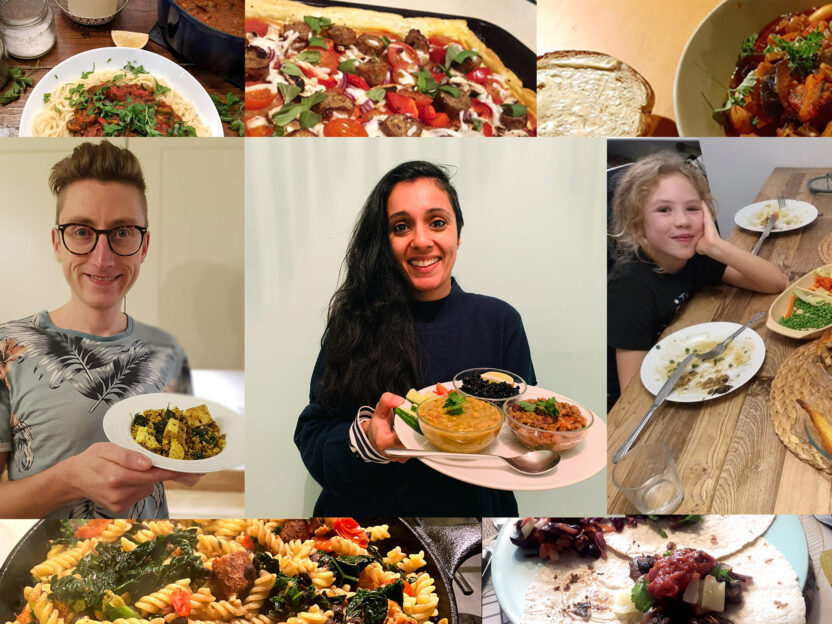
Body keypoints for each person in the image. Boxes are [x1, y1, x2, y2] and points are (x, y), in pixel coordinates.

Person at [294, 161, 536, 516]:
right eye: (401, 226)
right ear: (384, 240)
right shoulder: (354, 321)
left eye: (437, 222)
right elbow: (313, 434)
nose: (422, 241)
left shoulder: (500, 321)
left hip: (472, 528)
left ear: (458, 234)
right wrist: (368, 439)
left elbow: (522, 427)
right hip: (363, 525)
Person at [0, 141, 199, 518]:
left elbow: (192, 470)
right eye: (81, 231)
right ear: (58, 242)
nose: (102, 258)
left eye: (122, 232)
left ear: (144, 246)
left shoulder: (168, 349)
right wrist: (69, 480)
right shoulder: (7, 349)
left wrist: (194, 456)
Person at [607, 152, 788, 411]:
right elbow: (631, 398)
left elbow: (775, 283)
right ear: (637, 226)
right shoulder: (628, 290)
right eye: (664, 210)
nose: (683, 221)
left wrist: (716, 247)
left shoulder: (696, 256)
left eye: (692, 208)